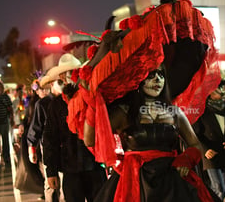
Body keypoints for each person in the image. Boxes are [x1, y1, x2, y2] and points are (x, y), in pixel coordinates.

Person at [88, 65, 214, 202]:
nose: (157, 80)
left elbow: (195, 144)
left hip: (171, 178)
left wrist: (186, 159)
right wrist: (91, 102)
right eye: (151, 74)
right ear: (138, 77)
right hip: (133, 179)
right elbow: (90, 139)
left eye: (161, 75)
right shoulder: (123, 112)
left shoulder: (175, 112)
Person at [42, 53, 107, 202]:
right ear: (63, 77)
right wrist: (51, 171)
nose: (72, 76)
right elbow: (50, 138)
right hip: (70, 169)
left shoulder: (92, 96)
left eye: (74, 72)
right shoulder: (56, 105)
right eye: (68, 73)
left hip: (95, 166)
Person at [193, 84, 225, 201]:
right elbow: (195, 135)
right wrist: (205, 150)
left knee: (224, 189)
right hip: (211, 154)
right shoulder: (202, 110)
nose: (219, 93)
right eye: (215, 91)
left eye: (221, 90)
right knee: (218, 187)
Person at [27, 78, 64, 201]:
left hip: (66, 149)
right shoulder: (42, 104)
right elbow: (35, 128)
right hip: (49, 148)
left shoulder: (68, 100)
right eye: (60, 81)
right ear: (52, 83)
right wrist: (31, 148)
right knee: (51, 184)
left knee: (65, 184)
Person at [0, 81, 14, 170]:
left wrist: (12, 119)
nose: (0, 90)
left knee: (5, 141)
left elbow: (10, 108)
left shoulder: (5, 97)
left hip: (4, 122)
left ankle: (6, 159)